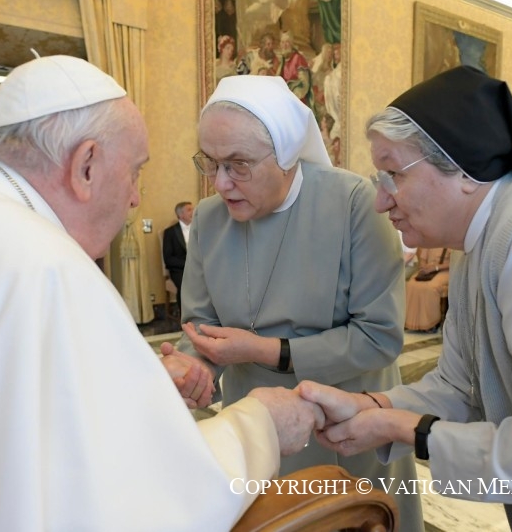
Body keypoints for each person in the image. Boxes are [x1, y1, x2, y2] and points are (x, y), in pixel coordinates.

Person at [0, 55, 324, 531]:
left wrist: (133, 381)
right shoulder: (44, 264)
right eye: (135, 171)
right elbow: (119, 502)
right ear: (86, 164)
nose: (135, 197)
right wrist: (259, 425)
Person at [299, 65, 512, 531]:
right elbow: (462, 388)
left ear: (463, 169)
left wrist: (403, 429)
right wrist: (373, 407)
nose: (381, 200)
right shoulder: (478, 239)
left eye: (393, 174)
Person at [166, 74, 424, 531]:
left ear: (286, 155)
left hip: (342, 426)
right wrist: (193, 368)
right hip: (256, 428)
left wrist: (264, 351)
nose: (220, 184)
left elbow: (379, 339)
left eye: (238, 164)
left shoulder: (355, 204)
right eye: (211, 162)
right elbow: (201, 325)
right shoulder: (208, 219)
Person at [404, 247, 451, 332]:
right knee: (410, 285)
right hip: (428, 271)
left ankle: (431, 324)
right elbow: (423, 259)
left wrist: (436, 267)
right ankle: (411, 324)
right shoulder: (430, 241)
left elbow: (453, 263)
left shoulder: (452, 242)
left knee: (430, 287)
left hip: (445, 271)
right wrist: (423, 268)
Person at [162, 200, 194, 311]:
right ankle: (185, 316)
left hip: (199, 268)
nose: (193, 212)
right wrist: (188, 264)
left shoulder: (200, 228)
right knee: (185, 287)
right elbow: (168, 259)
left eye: (193, 209)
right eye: (189, 210)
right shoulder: (170, 232)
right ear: (181, 215)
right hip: (179, 270)